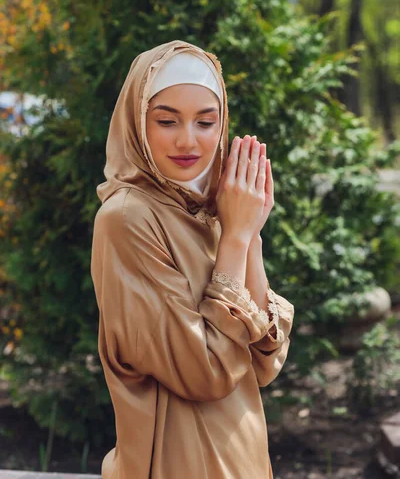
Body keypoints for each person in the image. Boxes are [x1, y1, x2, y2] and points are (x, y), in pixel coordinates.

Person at [90, 39, 295, 479]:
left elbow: (263, 362)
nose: (189, 140)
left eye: (206, 121)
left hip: (241, 456)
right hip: (176, 461)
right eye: (167, 121)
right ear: (136, 122)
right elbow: (207, 373)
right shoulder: (127, 219)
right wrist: (236, 239)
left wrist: (248, 231)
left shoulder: (207, 207)